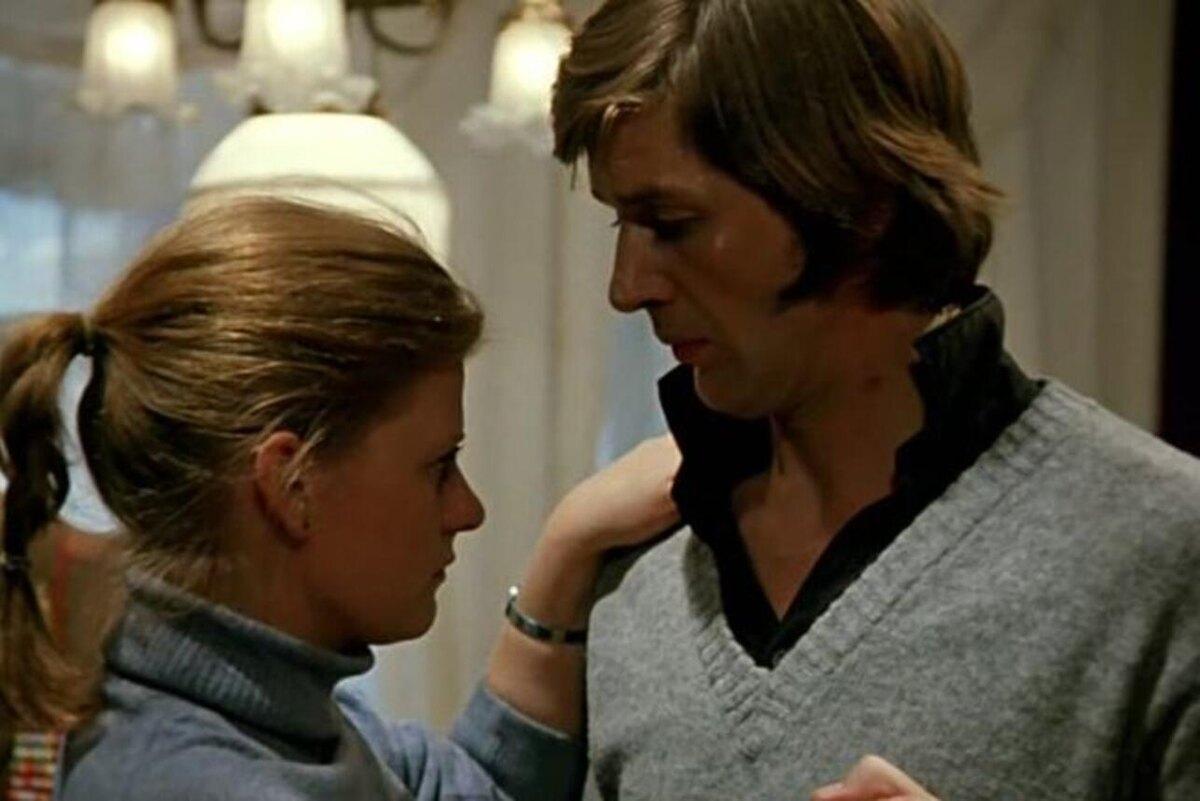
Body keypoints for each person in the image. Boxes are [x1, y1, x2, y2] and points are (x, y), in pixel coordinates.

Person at [550, 0, 1200, 798]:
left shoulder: (1163, 550)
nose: (627, 287)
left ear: (857, 201)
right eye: (620, 224)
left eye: (671, 222)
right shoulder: (636, 590)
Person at [0, 197, 679, 801]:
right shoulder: (212, 780)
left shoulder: (284, 721)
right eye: (439, 467)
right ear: (291, 484)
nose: (467, 510)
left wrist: (570, 544)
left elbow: (479, 787)